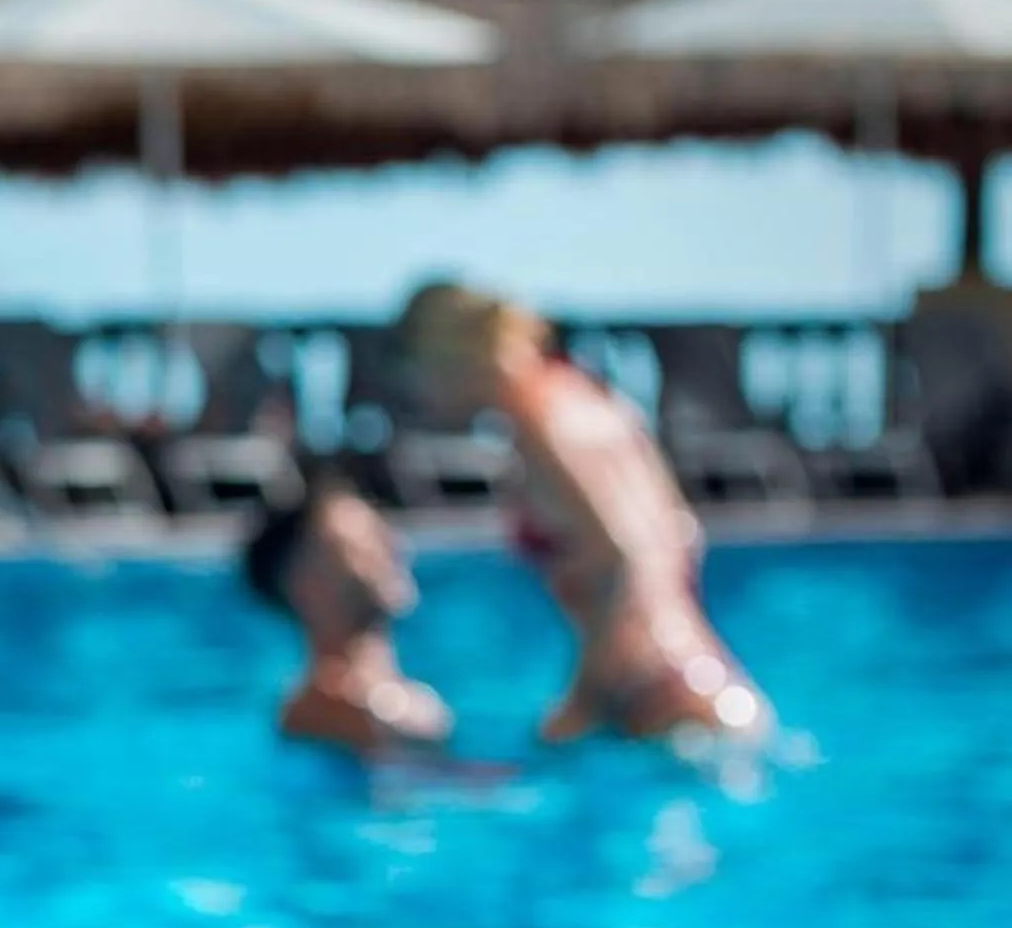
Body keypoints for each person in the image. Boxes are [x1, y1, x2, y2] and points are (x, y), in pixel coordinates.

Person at [397, 279, 770, 746]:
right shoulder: (587, 397)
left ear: (449, 356)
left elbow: (623, 560)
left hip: (653, 692)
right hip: (705, 678)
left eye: (416, 373)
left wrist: (581, 704)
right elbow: (681, 533)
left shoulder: (538, 424)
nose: (419, 394)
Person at [242, 480, 453, 759]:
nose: (392, 549)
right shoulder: (327, 708)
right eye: (361, 544)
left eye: (383, 532)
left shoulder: (380, 701)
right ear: (305, 585)